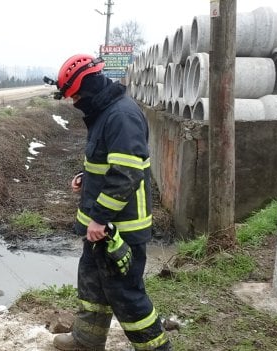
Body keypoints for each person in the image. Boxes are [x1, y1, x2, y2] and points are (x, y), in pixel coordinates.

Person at [50, 54, 172, 351]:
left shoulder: (121, 116)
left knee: (126, 294)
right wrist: (85, 177)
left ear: (89, 86)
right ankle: (86, 341)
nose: (75, 101)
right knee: (92, 285)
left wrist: (100, 218)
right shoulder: (105, 112)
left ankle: (157, 348)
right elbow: (106, 162)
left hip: (121, 227)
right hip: (104, 224)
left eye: (76, 95)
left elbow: (126, 174)